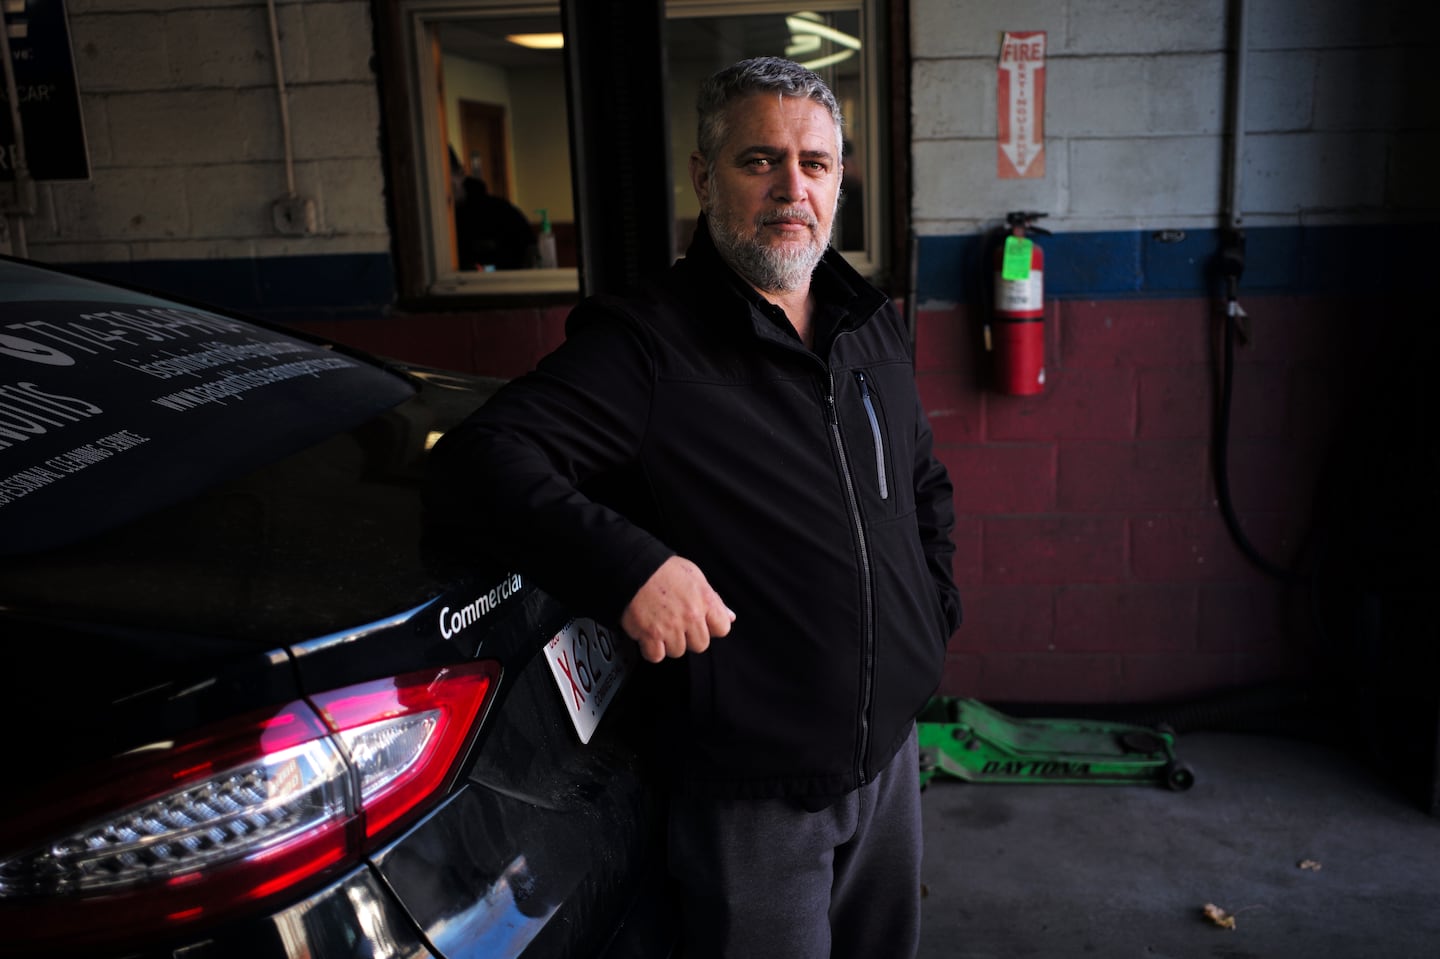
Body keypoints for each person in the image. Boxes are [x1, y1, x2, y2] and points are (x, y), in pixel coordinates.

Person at [427, 56, 961, 959]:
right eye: (761, 162)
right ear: (706, 177)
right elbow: (482, 459)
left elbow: (922, 484)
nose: (793, 187)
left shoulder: (867, 320)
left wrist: (931, 619)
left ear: (839, 179)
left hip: (891, 757)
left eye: (816, 164)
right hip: (754, 796)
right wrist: (632, 565)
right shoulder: (647, 346)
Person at [449, 147, 537, 271]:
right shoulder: (436, 224)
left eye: (447, 176)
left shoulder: (502, 212)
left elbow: (530, 255)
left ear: (461, 173)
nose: (443, 186)